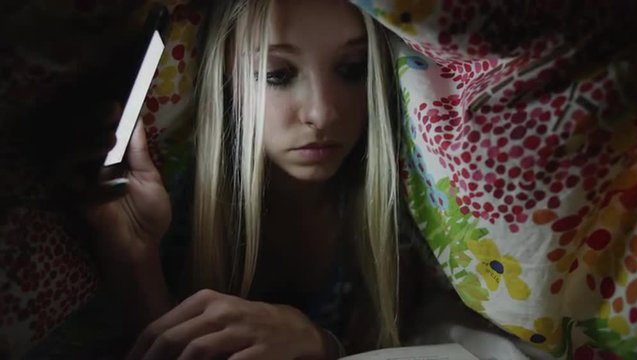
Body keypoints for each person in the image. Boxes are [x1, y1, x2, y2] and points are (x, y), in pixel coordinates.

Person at [82, 0, 408, 358]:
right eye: (277, 74)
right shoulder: (177, 210)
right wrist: (137, 255)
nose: (322, 112)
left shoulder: (401, 211)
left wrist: (318, 343)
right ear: (224, 74)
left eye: (352, 69)